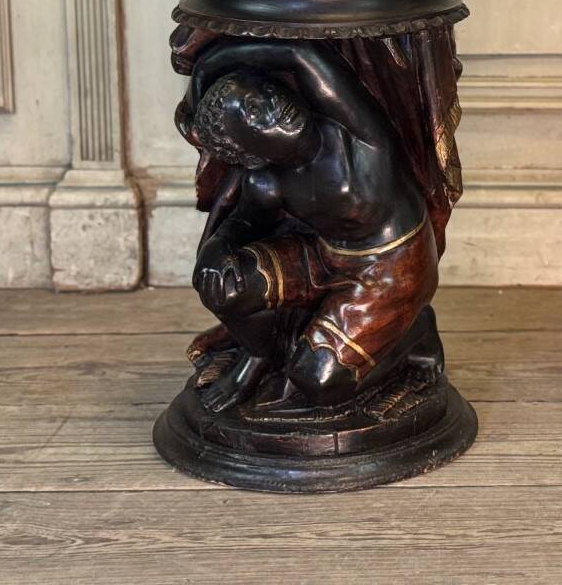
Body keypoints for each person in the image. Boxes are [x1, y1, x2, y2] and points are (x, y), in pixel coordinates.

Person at [177, 40, 441, 412]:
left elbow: (302, 55)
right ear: (250, 154)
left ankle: (412, 331)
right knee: (224, 283)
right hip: (324, 256)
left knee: (316, 382)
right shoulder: (269, 181)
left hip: (392, 268)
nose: (274, 103)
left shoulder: (353, 133)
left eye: (267, 91)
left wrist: (207, 67)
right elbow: (243, 222)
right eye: (255, 113)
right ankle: (259, 356)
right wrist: (215, 250)